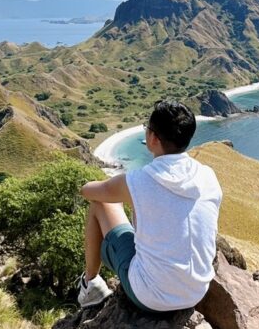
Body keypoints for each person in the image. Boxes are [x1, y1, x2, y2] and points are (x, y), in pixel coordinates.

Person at [78, 99, 222, 312]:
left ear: (152, 138)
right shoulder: (208, 175)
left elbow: (88, 191)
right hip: (196, 292)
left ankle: (90, 285)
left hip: (150, 297)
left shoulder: (141, 180)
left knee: (99, 204)